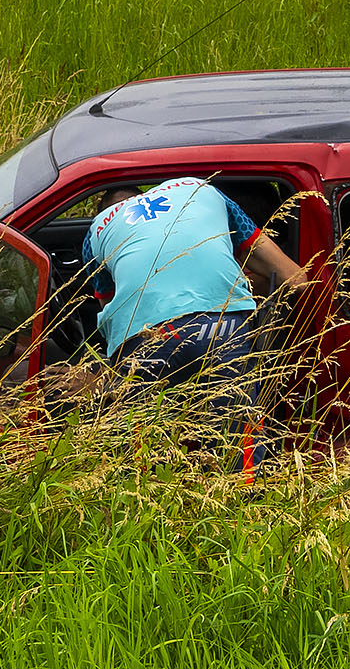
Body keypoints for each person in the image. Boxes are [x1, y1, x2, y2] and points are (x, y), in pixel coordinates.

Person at [81, 177, 307, 466]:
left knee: (146, 457)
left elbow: (112, 310)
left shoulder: (97, 231)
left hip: (143, 340)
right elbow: (295, 278)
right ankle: (242, 487)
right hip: (220, 327)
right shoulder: (201, 189)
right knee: (238, 446)